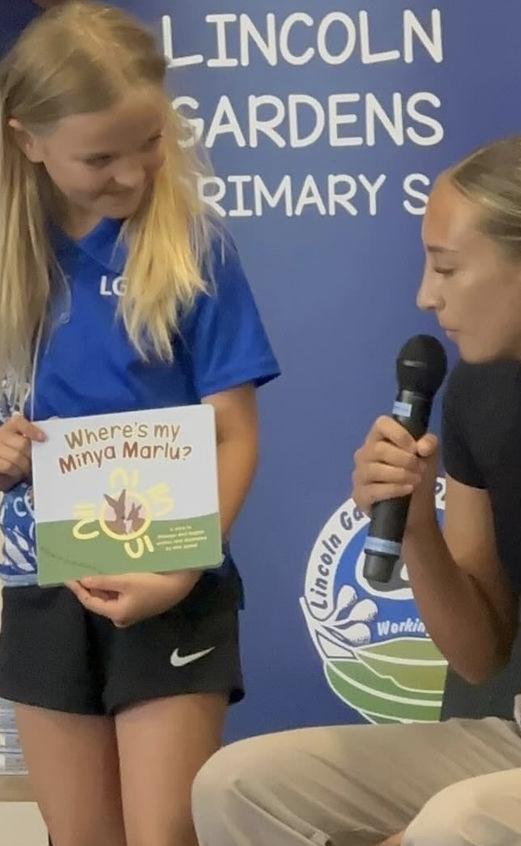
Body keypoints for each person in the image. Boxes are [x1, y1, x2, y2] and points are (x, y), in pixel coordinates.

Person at [192, 135, 521, 846]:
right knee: (238, 784)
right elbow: (479, 654)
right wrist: (415, 523)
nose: (425, 296)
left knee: (464, 822)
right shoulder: (480, 396)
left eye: (447, 268)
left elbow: (508, 811)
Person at [0, 3, 279, 846]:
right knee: (78, 834)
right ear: (28, 140)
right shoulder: (15, 255)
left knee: (163, 832)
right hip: (41, 582)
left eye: (149, 142)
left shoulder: (193, 246)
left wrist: (184, 568)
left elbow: (234, 431)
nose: (131, 174)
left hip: (172, 580)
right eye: (100, 158)